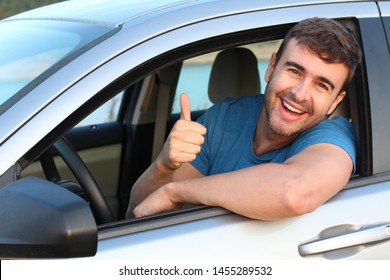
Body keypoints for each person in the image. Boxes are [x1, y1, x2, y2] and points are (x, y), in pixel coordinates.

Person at [126, 17, 362, 220]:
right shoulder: (224, 116)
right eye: (294, 71)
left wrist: (175, 192)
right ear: (271, 68)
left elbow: (295, 192)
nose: (299, 94)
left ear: (335, 101)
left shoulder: (333, 138)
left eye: (321, 85)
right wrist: (164, 166)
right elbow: (139, 214)